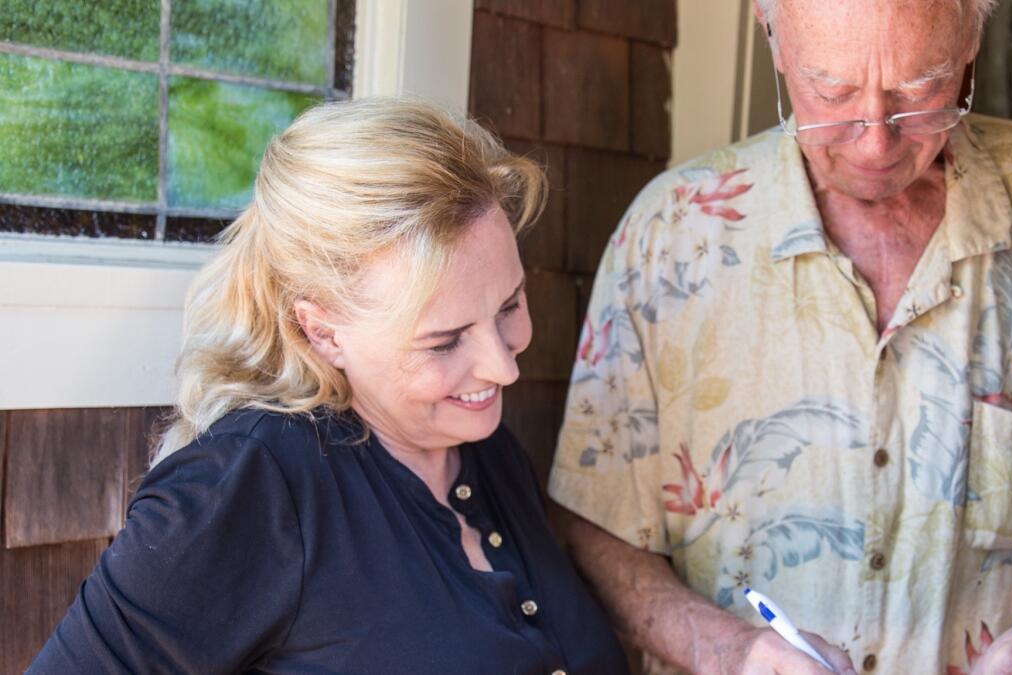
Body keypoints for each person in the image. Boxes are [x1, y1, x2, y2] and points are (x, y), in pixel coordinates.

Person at [547, 1, 1012, 673]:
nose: (875, 141)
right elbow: (597, 525)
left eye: (919, 89)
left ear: (971, 43)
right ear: (773, 38)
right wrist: (731, 651)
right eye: (833, 90)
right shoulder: (668, 236)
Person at [29, 98, 629, 674]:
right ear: (321, 331)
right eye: (444, 341)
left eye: (509, 305)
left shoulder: (483, 447)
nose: (503, 368)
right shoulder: (249, 488)